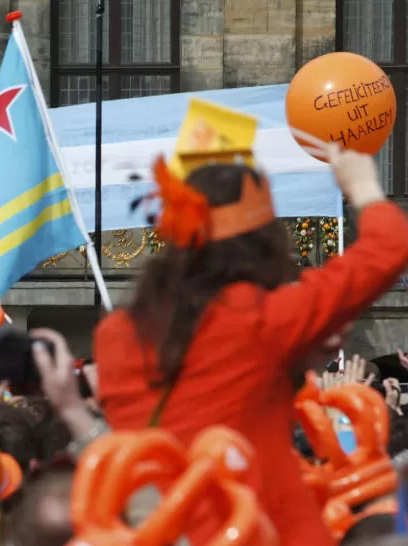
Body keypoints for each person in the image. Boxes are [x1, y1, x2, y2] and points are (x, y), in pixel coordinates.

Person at [94, 144, 408, 546]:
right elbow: (387, 249)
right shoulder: (260, 319)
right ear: (265, 244)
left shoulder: (115, 334)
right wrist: (362, 184)